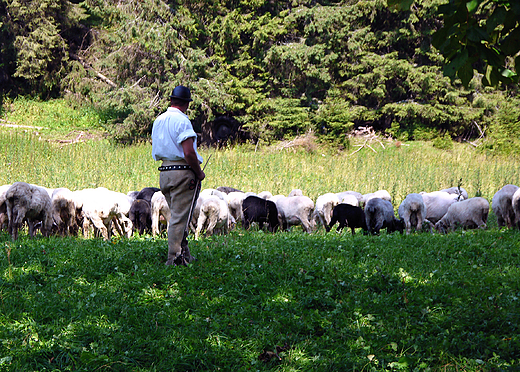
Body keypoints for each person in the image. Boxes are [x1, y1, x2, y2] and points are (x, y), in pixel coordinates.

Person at [151, 85, 205, 266]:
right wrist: (199, 172)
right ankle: (174, 258)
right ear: (186, 104)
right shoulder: (182, 121)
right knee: (179, 218)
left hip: (165, 172)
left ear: (172, 100)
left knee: (178, 215)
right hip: (183, 173)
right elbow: (189, 152)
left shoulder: (159, 120)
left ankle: (185, 254)